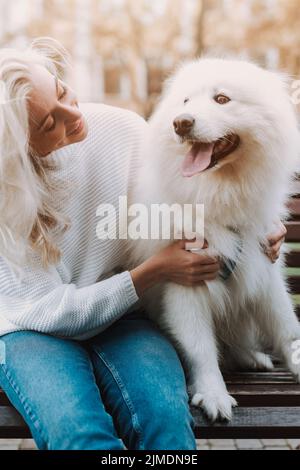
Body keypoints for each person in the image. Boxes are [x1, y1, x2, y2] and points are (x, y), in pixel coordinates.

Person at [0, 37, 286, 450]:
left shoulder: (122, 129)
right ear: (15, 151)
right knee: (78, 432)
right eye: (49, 124)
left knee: (165, 423)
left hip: (124, 320)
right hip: (33, 329)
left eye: (61, 90)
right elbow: (48, 311)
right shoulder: (7, 196)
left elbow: (199, 193)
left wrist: (262, 225)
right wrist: (153, 271)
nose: (73, 113)